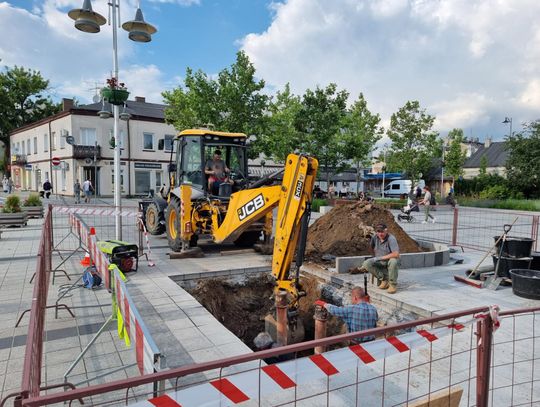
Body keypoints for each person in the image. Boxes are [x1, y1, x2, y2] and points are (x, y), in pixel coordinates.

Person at [362, 223, 400, 294]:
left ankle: (392, 284)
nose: (380, 234)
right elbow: (371, 247)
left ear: (386, 231)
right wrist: (374, 257)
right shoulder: (375, 237)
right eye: (378, 232)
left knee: (393, 261)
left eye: (382, 232)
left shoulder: (391, 239)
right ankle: (384, 280)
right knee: (366, 263)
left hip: (389, 260)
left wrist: (380, 258)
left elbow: (396, 254)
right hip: (380, 261)